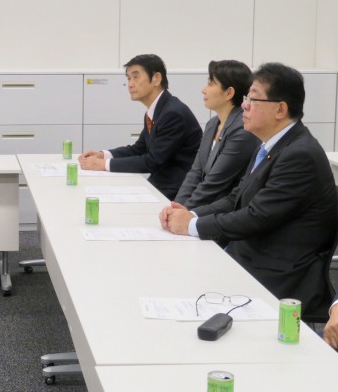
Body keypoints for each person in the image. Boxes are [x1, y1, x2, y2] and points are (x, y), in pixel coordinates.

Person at [161, 63, 338, 319]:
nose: (244, 105)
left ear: (280, 109)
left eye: (253, 99)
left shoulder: (300, 155)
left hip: (277, 278)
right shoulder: (270, 145)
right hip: (249, 257)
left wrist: (190, 226)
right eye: (246, 98)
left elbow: (256, 217)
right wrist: (192, 214)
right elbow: (236, 198)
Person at [79, 54, 202, 199]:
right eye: (128, 78)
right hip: (162, 183)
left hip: (177, 191)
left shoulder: (172, 113)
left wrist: (103, 164)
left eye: (136, 77)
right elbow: (139, 149)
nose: (130, 84)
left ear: (156, 78)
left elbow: (153, 161)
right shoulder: (156, 111)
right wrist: (103, 155)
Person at [174, 60, 260, 208]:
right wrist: (176, 206)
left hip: (224, 210)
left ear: (229, 93)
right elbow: (195, 172)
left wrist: (185, 211)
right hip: (203, 207)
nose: (203, 90)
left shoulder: (243, 129)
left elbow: (214, 183)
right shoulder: (212, 124)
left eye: (210, 84)